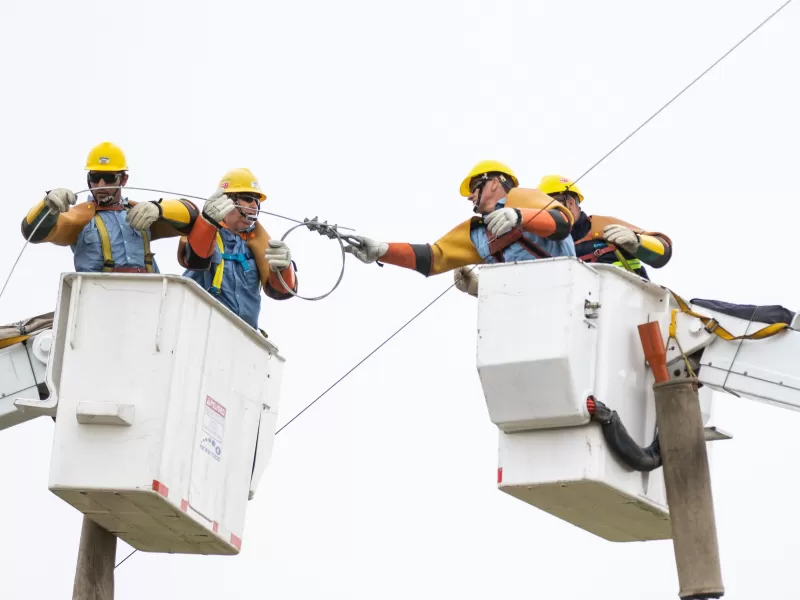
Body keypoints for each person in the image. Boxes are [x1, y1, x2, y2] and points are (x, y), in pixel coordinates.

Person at [453, 174, 673, 297]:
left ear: (570, 202)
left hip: (631, 305)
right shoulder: (542, 246)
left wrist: (637, 243)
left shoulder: (603, 227)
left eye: (552, 203)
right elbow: (528, 292)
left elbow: (663, 250)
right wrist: (480, 289)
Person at [346, 160, 575, 277]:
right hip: (519, 306)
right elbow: (434, 257)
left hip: (562, 290)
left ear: (494, 182)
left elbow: (561, 223)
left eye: (475, 187)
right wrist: (383, 250)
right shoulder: (477, 233)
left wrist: (518, 216)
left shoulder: (522, 197)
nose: (470, 196)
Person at [21, 141, 202, 273]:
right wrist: (47, 206)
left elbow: (192, 217)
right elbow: (33, 232)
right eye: (95, 177)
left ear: (123, 179)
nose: (100, 185)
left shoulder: (140, 212)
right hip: (98, 298)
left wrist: (160, 209)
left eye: (108, 178)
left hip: (147, 297)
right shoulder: (80, 216)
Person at [177, 168, 298, 331]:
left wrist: (284, 268)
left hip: (243, 338)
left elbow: (282, 291)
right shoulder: (204, 231)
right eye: (248, 199)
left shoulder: (257, 245)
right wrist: (207, 223)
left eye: (257, 201)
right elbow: (194, 259)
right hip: (200, 330)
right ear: (227, 200)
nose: (254, 205)